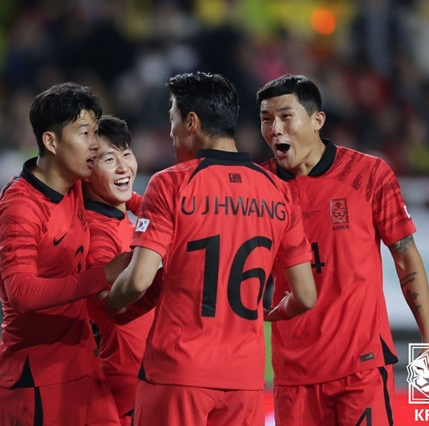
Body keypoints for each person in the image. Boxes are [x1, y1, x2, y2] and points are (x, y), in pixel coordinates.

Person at [106, 71, 317, 425]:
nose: (170, 131)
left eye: (172, 119)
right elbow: (306, 296)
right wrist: (273, 312)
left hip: (178, 372)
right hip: (245, 379)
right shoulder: (278, 191)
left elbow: (139, 280)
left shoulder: (172, 182)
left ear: (191, 122)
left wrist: (105, 305)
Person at [256, 74, 429, 425]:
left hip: (362, 365)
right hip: (293, 372)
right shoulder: (259, 187)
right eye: (266, 119)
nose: (275, 129)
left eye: (285, 116)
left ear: (317, 120)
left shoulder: (369, 175)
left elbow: (405, 255)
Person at [0, 82, 129, 425]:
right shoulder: (20, 206)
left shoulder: (77, 183)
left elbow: (129, 196)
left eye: (96, 132)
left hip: (83, 363)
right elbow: (21, 293)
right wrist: (103, 275)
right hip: (35, 376)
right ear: (51, 142)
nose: (95, 144)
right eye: (85, 133)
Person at [82, 115, 155, 425]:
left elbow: (146, 204)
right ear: (85, 170)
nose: (124, 166)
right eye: (109, 159)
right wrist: (167, 282)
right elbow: (112, 304)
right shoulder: (96, 234)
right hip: (127, 385)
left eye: (126, 153)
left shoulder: (120, 215)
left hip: (146, 376)